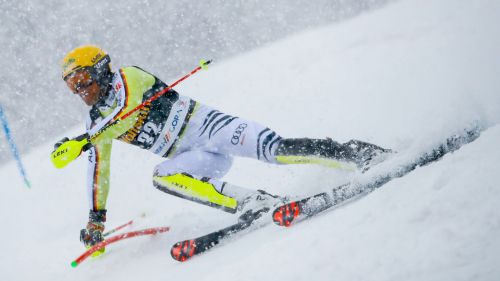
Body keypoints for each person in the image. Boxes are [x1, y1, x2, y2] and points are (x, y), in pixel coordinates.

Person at [58, 45, 390, 251]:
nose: (81, 90)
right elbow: (98, 172)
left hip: (210, 127)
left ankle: (358, 154)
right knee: (162, 176)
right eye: (73, 86)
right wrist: (96, 221)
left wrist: (85, 140)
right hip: (193, 157)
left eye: (83, 79)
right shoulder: (95, 125)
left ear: (101, 69)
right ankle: (254, 202)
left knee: (276, 151)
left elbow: (124, 112)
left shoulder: (129, 77)